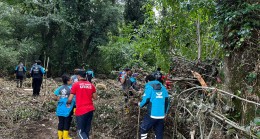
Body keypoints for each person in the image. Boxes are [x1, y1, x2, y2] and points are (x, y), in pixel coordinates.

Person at [66, 70, 97, 139]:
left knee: (80, 132)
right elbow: (95, 97)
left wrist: (67, 104)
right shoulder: (91, 85)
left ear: (78, 76)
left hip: (81, 111)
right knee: (86, 131)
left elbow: (70, 98)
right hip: (90, 110)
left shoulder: (75, 85)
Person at [139, 74, 170, 139]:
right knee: (159, 132)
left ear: (148, 80)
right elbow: (167, 101)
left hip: (152, 114)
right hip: (161, 115)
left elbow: (146, 99)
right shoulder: (163, 87)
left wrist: (140, 104)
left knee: (143, 128)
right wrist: (165, 113)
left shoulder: (149, 86)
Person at [54, 74, 75, 139]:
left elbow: (55, 97)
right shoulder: (72, 88)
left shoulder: (59, 88)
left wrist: (60, 98)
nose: (72, 81)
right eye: (71, 80)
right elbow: (74, 98)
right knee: (67, 122)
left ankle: (60, 137)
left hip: (60, 107)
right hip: (68, 107)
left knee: (61, 122)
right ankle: (65, 136)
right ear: (68, 81)